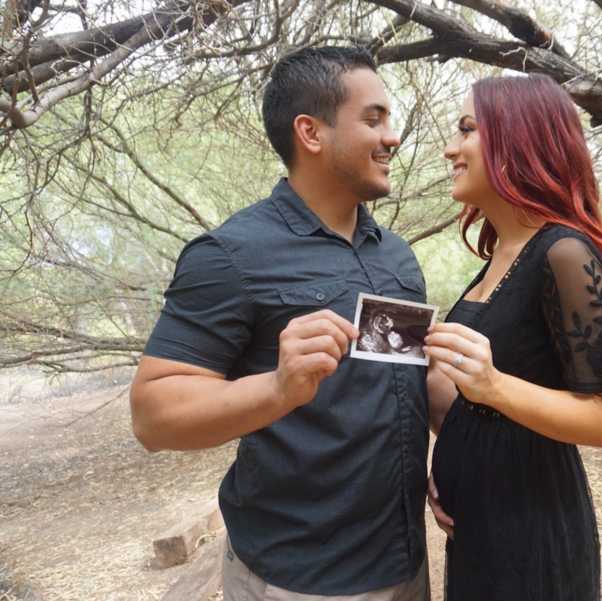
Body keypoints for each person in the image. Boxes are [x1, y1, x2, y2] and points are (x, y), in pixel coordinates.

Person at [129, 47, 431, 601]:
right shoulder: (230, 254)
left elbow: (404, 383)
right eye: (373, 118)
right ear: (310, 132)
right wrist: (276, 387)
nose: (393, 137)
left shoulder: (396, 257)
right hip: (301, 575)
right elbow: (154, 416)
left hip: (405, 559)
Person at [423, 74, 602, 601]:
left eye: (467, 129)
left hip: (532, 535)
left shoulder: (564, 254)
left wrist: (491, 384)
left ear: (518, 138)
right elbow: (482, 406)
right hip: (479, 527)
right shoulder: (498, 255)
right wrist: (447, 461)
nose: (451, 147)